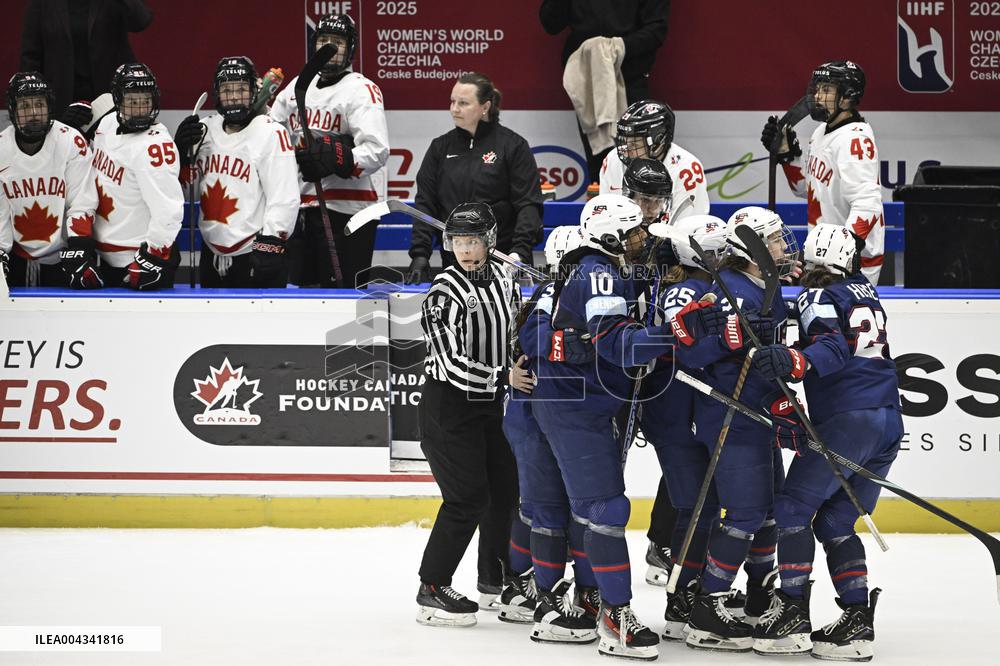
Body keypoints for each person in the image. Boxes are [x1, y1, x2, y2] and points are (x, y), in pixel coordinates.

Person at [749, 223, 900, 660]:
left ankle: (793, 611)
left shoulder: (816, 296)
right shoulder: (865, 291)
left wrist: (795, 358)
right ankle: (856, 621)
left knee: (793, 509)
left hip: (848, 420)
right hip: (888, 420)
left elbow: (832, 348)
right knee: (834, 522)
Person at [532, 194, 670, 660]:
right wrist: (676, 337)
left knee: (594, 509)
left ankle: (589, 600)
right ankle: (615, 615)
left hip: (589, 404)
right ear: (610, 235)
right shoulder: (598, 271)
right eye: (633, 231)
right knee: (605, 509)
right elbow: (618, 345)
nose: (642, 238)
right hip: (575, 407)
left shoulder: (607, 270)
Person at [669, 206, 796, 651]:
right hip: (728, 413)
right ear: (752, 248)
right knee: (744, 514)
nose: (784, 246)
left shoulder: (770, 287)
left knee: (771, 511)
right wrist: (725, 339)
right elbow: (685, 348)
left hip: (759, 415)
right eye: (776, 239)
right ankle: (708, 607)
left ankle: (760, 596)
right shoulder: (728, 291)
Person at [415, 203, 521, 628]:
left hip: (489, 406)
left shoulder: (505, 280)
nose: (466, 250)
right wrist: (504, 375)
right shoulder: (444, 291)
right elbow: (451, 361)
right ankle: (433, 588)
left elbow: (512, 332)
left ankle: (496, 582)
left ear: (489, 241)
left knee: (504, 490)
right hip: (449, 409)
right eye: (459, 241)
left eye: (474, 240)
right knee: (467, 499)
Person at [501, 224, 601, 643]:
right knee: (545, 510)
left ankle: (571, 588)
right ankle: (538, 594)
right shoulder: (546, 298)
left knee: (569, 509)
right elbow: (530, 341)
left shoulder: (572, 293)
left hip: (564, 416)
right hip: (531, 416)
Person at [270, 13, 389, 288]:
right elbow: (272, 134)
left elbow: (376, 150)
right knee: (303, 296)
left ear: (351, 49)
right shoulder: (297, 87)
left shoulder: (361, 89)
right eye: (324, 40)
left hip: (349, 213)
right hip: (302, 210)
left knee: (344, 297)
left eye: (338, 42)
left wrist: (338, 157)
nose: (330, 47)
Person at [405, 72, 543, 285]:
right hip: (454, 262)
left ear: (485, 107)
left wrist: (519, 254)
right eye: (452, 101)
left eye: (463, 103)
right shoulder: (439, 148)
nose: (454, 109)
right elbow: (426, 204)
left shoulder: (513, 146)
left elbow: (528, 205)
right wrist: (420, 254)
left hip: (504, 263)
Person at [173, 56, 300, 288]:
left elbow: (284, 197)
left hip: (255, 253)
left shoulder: (271, 133)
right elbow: (185, 189)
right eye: (226, 90)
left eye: (241, 89)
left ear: (254, 91)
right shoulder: (205, 129)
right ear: (216, 93)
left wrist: (271, 242)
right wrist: (180, 156)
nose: (233, 97)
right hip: (211, 251)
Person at [762, 60, 885, 284]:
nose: (817, 96)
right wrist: (788, 157)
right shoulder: (821, 132)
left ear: (848, 97)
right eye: (817, 89)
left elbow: (868, 203)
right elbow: (805, 189)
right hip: (821, 260)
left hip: (850, 266)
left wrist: (843, 249)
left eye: (826, 90)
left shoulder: (855, 138)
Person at [539, 0, 671, 182]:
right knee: (600, 167)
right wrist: (596, 55)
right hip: (589, 79)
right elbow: (551, 24)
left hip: (631, 77)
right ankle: (601, 205)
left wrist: (618, 48)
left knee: (639, 164)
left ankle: (641, 207)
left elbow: (656, 30)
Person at [0, 72, 100, 289]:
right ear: (12, 111)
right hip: (17, 256)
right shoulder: (1, 149)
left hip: (64, 256)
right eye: (25, 106)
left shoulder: (70, 140)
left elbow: (81, 200)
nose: (34, 113)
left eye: (39, 104)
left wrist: (80, 246)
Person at [91, 62, 182, 290]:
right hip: (104, 257)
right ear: (118, 100)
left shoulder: (155, 146)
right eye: (132, 102)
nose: (140, 109)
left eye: (145, 101)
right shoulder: (107, 124)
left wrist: (152, 258)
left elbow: (169, 212)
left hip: (138, 260)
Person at [20, 0, 153, 129]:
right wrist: (31, 100)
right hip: (61, 98)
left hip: (110, 99)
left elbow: (141, 21)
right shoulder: (43, 3)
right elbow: (31, 55)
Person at [600, 100, 710, 223]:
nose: (625, 151)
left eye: (634, 144)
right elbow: (605, 218)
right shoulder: (613, 159)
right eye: (625, 142)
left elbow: (688, 229)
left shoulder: (687, 168)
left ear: (658, 142)